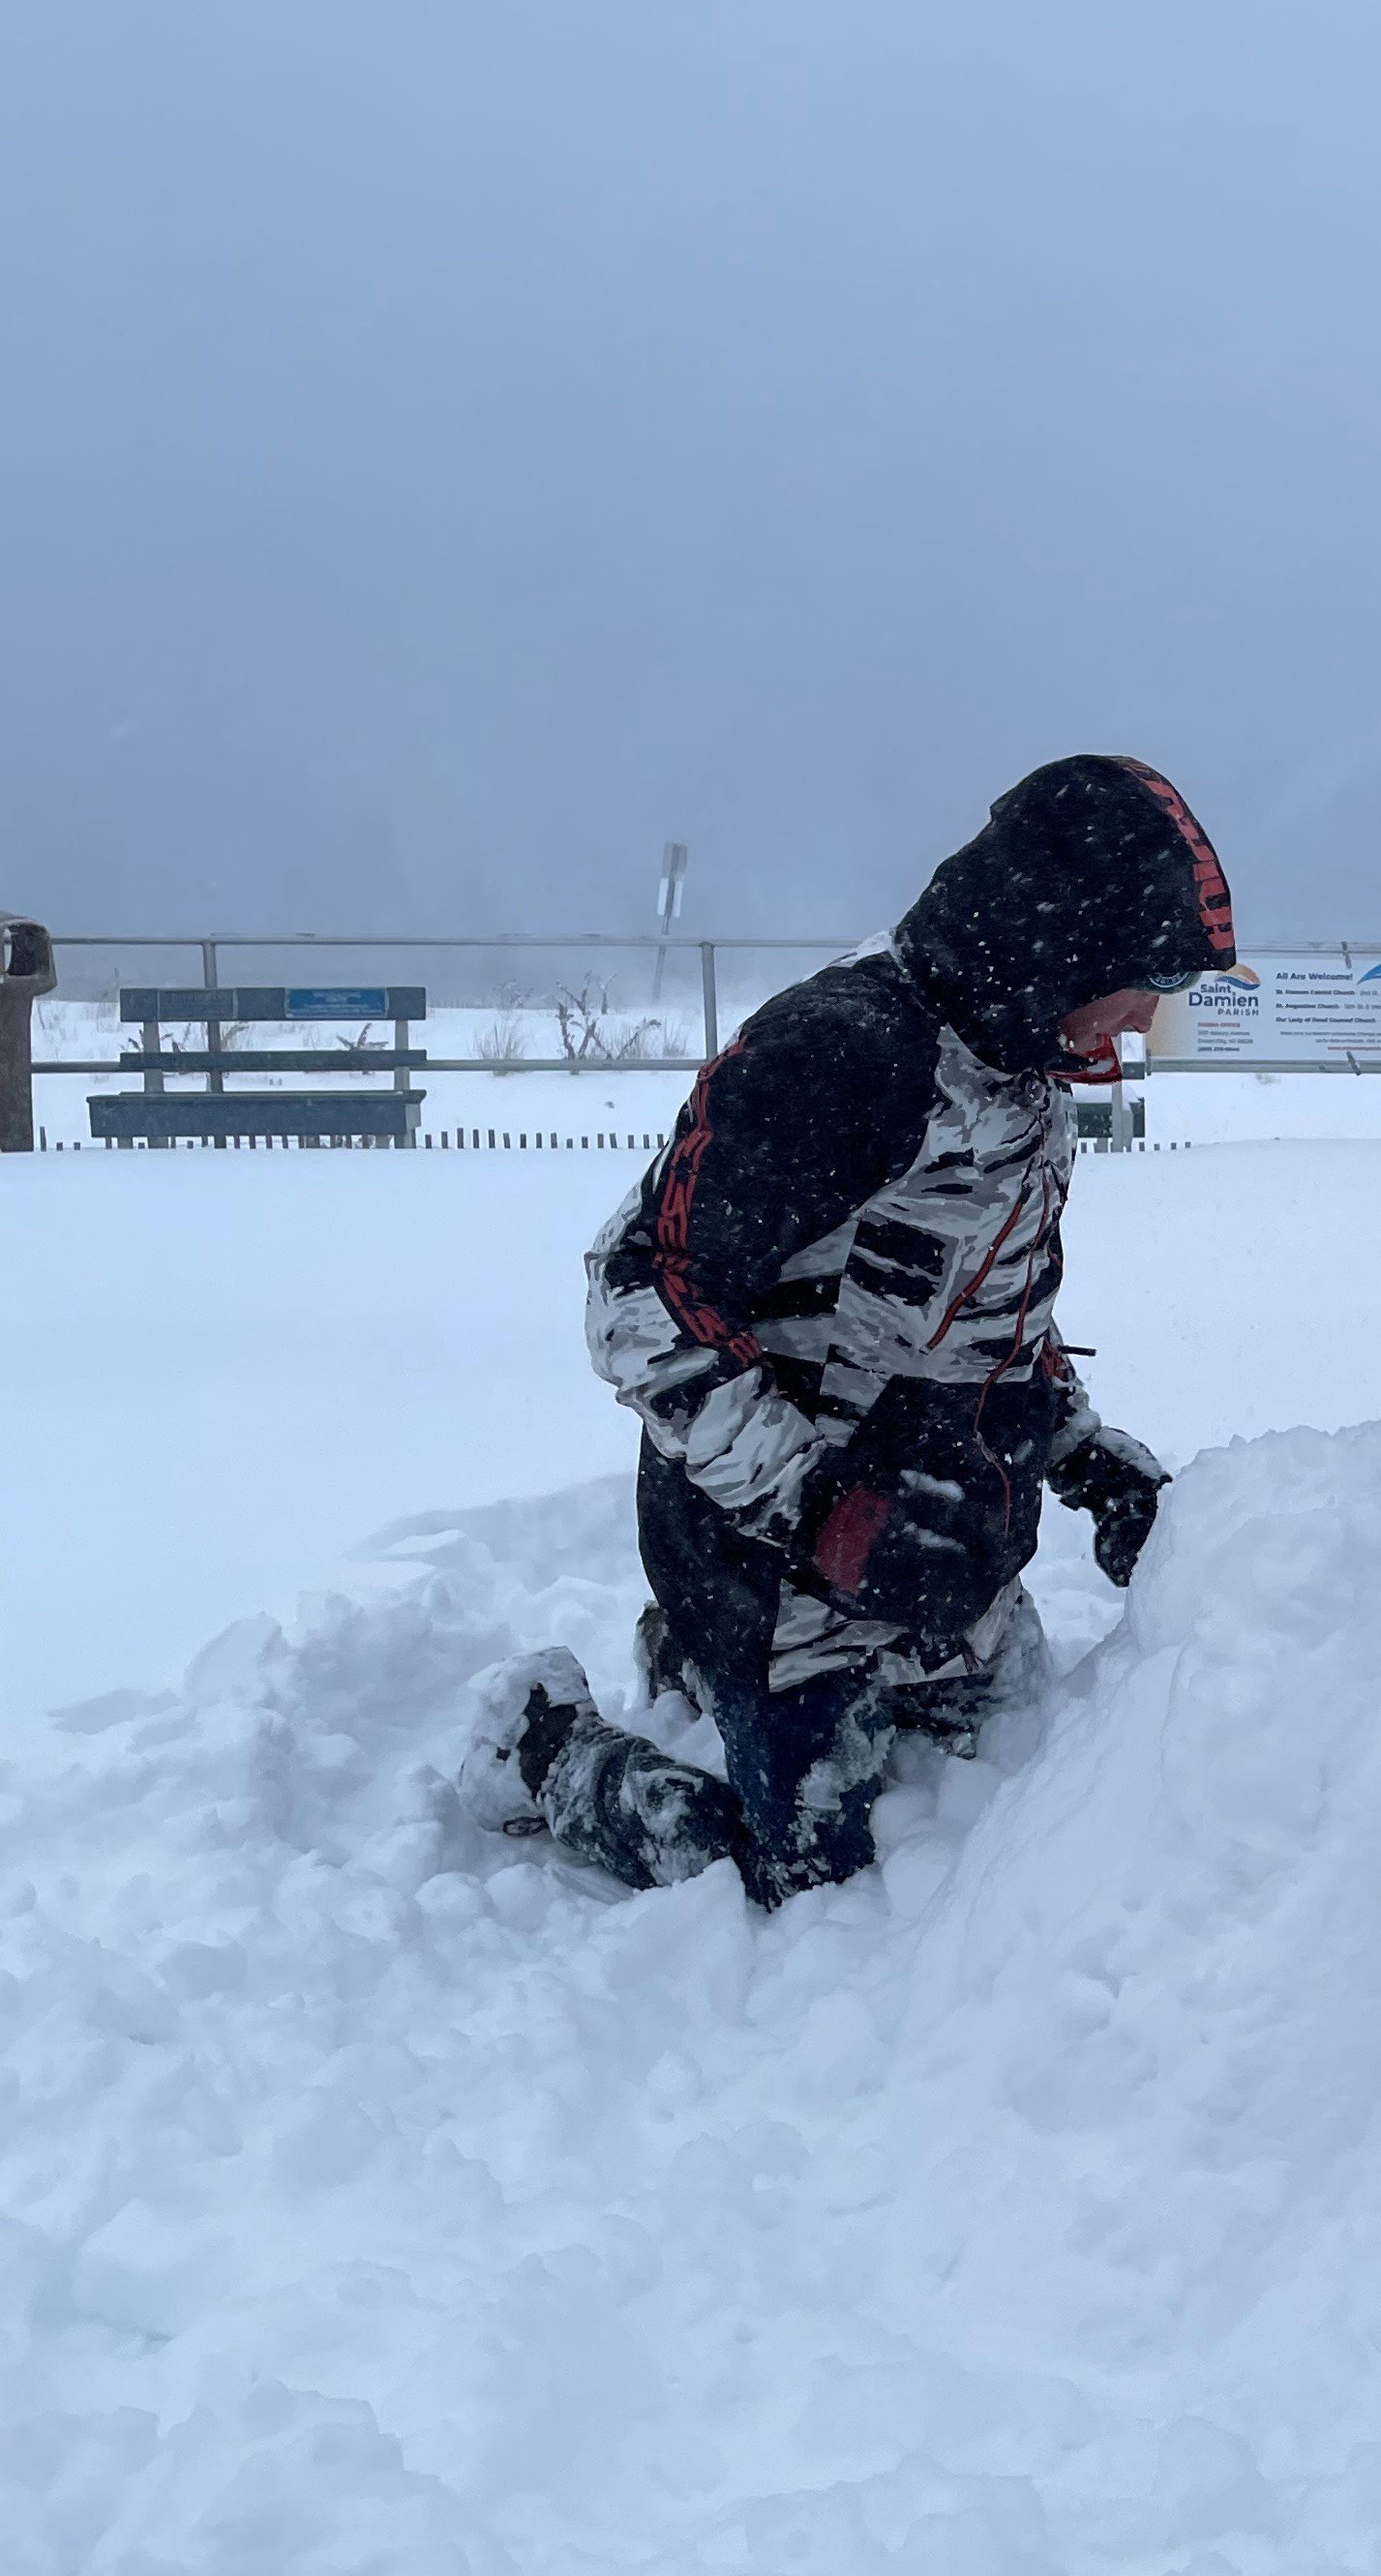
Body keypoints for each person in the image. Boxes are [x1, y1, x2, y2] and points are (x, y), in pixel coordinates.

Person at [458, 756, 1233, 1905]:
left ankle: (699, 1663)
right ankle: (549, 1748)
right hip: (769, 1550)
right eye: (1146, 974)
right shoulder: (843, 1055)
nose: (1149, 1013)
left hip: (940, 1541)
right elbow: (638, 1295)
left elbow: (987, 1308)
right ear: (1057, 943)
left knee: (1030, 1775)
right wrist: (818, 1508)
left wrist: (1081, 1455)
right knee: (805, 1881)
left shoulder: (1025, 1072)